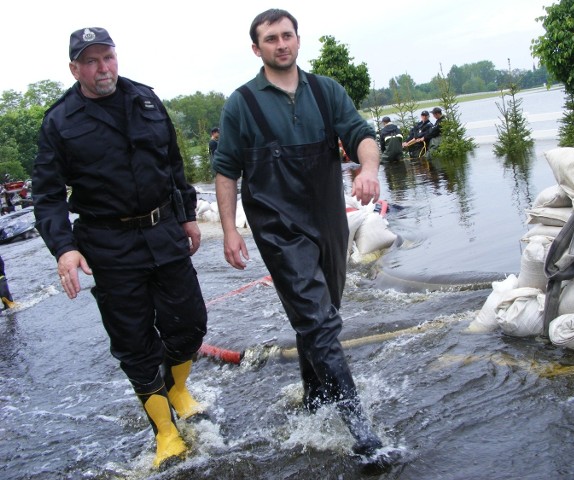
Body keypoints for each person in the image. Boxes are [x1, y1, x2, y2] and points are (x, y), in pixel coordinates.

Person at [32, 27, 208, 469]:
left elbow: (172, 162)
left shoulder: (146, 100)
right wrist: (64, 249)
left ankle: (179, 388)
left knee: (190, 324)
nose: (102, 67)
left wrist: (187, 214)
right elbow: (48, 196)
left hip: (164, 229)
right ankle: (166, 433)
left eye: (107, 57)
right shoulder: (59, 122)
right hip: (107, 245)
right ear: (75, 69)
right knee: (134, 343)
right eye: (90, 61)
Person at [212, 9, 384, 456]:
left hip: (328, 219)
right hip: (277, 227)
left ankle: (315, 399)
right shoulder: (241, 104)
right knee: (321, 319)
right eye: (271, 38)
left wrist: (368, 168)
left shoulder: (326, 91)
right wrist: (231, 230)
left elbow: (362, 134)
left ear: (298, 40)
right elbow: (226, 171)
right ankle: (363, 433)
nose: (281, 44)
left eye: (287, 35)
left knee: (322, 314)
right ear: (257, 48)